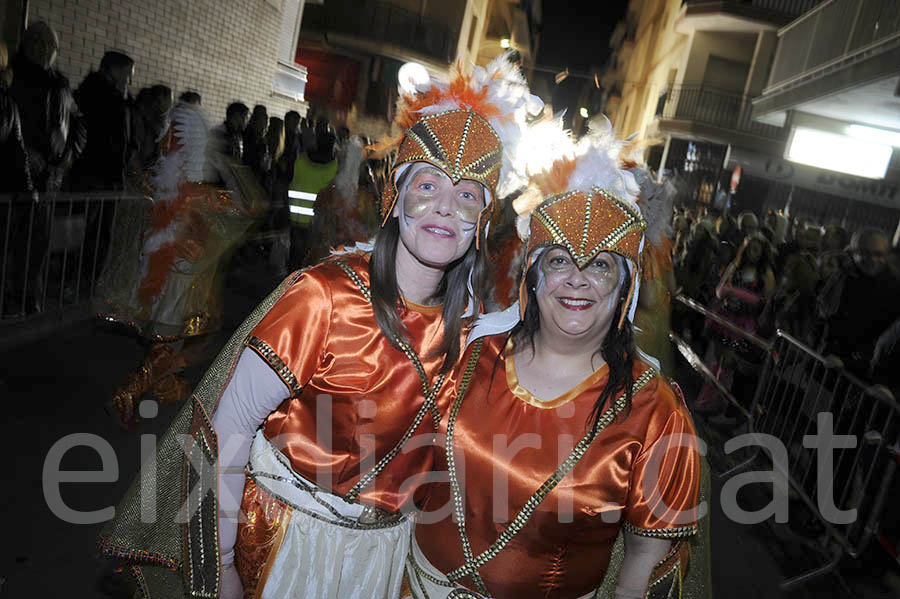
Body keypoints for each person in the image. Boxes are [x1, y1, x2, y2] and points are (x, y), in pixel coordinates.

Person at [98, 53, 537, 599]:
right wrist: (224, 567)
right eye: (428, 185)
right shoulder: (323, 297)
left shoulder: (473, 331)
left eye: (467, 195)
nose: (445, 208)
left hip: (381, 559)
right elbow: (226, 427)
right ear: (395, 197)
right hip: (284, 547)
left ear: (482, 222)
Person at [407, 124, 704, 599]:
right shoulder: (468, 349)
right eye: (560, 261)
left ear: (625, 290)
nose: (578, 281)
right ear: (533, 274)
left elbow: (649, 561)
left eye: (602, 265)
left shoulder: (656, 412)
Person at [96, 95, 261, 422]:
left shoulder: (159, 183)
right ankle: (128, 391)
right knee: (186, 345)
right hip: (182, 284)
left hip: (159, 278)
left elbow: (133, 180)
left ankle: (168, 387)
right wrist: (229, 166)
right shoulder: (197, 192)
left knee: (171, 345)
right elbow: (252, 206)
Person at [70, 50, 134, 191]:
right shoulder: (93, 99)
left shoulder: (124, 104)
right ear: (114, 71)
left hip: (112, 178)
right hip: (92, 177)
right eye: (128, 75)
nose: (130, 81)